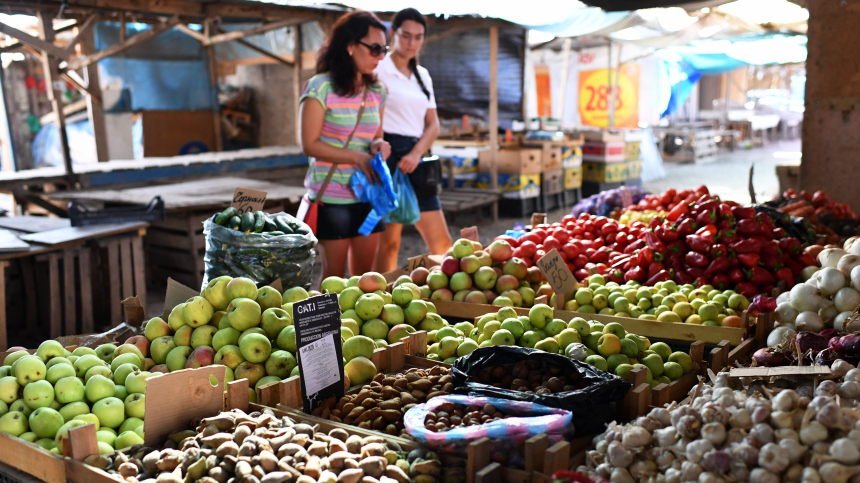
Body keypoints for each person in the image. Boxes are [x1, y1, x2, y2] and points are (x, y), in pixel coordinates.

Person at [299, 10, 391, 279]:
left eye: (383, 49)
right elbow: (309, 144)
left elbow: (375, 136)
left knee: (366, 280)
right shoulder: (320, 87)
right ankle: (332, 324)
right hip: (332, 197)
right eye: (375, 48)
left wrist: (378, 147)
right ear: (350, 46)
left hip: (369, 195)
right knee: (334, 280)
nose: (381, 56)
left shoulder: (378, 91)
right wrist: (357, 157)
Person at [372, 8, 452, 273]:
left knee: (443, 244)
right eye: (406, 36)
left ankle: (451, 301)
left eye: (418, 37)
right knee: (389, 242)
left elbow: (433, 124)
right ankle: (380, 300)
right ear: (392, 34)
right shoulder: (378, 68)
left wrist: (417, 153)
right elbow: (372, 115)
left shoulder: (423, 74)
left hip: (418, 158)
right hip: (387, 155)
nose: (411, 43)